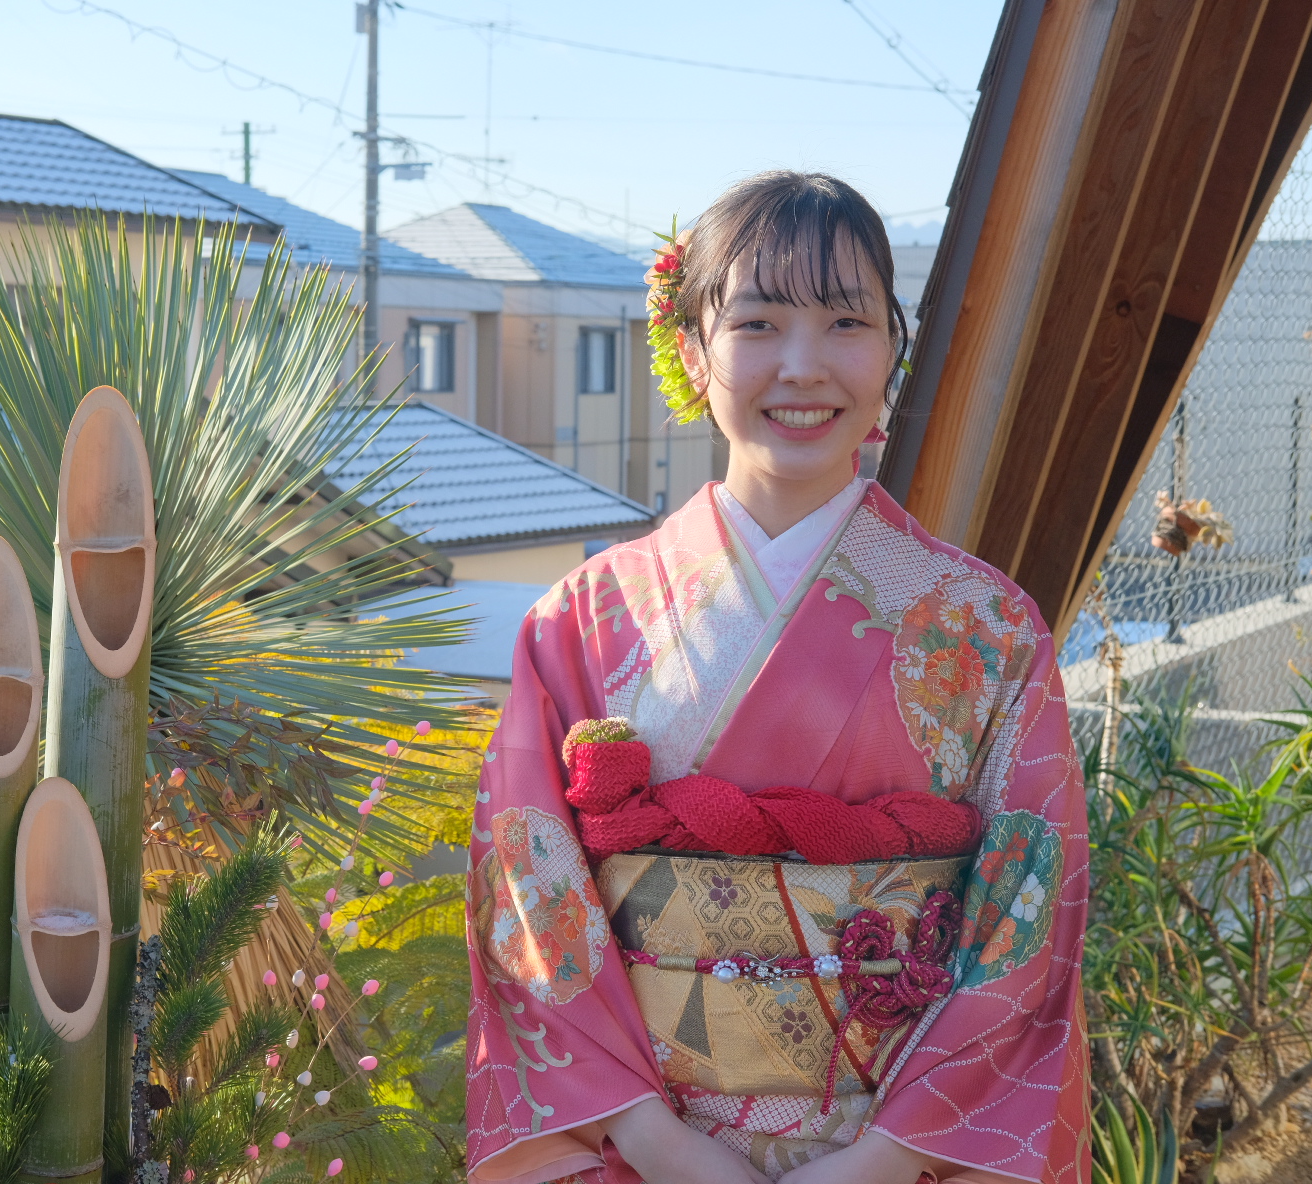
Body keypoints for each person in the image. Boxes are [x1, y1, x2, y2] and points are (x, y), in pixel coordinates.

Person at [464, 172, 1088, 1184]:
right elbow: (528, 895)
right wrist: (660, 1145)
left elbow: (1029, 903)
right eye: (757, 322)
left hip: (902, 1157)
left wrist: (879, 1161)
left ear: (892, 349)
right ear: (691, 349)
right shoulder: (581, 620)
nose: (803, 366)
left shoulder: (986, 625)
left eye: (847, 321)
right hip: (646, 1153)